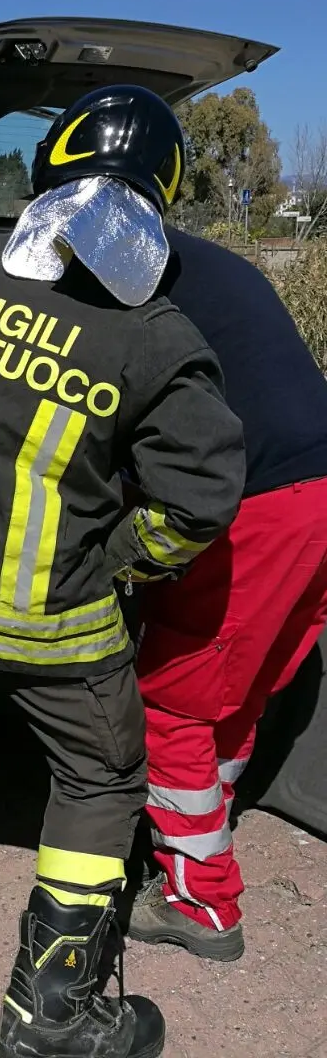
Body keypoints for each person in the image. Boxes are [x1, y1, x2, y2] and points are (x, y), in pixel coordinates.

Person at [0, 87, 245, 1058]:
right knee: (103, 774)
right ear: (158, 198)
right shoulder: (152, 333)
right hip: (42, 616)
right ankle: (52, 1013)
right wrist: (120, 563)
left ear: (48, 171)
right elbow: (201, 498)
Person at [123, 230, 327, 962]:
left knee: (172, 702)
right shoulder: (193, 260)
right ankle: (201, 825)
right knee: (235, 693)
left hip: (262, 503)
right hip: (315, 491)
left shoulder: (120, 275)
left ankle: (200, 901)